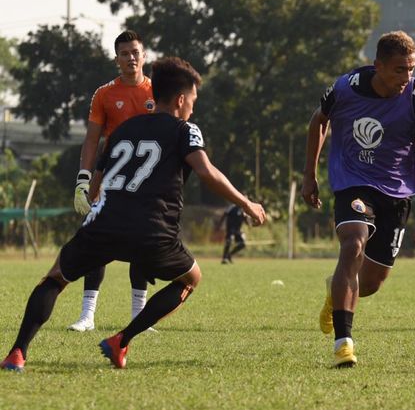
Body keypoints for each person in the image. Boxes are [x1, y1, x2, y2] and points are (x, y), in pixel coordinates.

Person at [0, 57, 266, 372]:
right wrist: (247, 203)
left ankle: (17, 352)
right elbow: (206, 172)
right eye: (193, 101)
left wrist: (91, 209)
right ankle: (121, 340)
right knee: (191, 278)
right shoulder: (186, 129)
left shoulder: (125, 128)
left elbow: (99, 177)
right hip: (153, 231)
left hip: (105, 223)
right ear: (181, 100)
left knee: (56, 278)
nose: (193, 108)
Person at [302, 30, 415, 367]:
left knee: (373, 283)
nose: (406, 78)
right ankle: (343, 344)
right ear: (377, 65)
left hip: (396, 191)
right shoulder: (346, 88)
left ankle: (334, 292)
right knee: (353, 245)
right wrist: (310, 174)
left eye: (411, 69)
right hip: (353, 182)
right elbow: (318, 122)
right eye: (398, 70)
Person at [69, 30, 155, 332]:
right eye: (124, 53)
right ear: (116, 59)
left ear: (144, 55)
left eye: (135, 52)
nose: (131, 58)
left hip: (147, 184)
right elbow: (92, 140)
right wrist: (84, 180)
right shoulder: (104, 94)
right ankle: (87, 315)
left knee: (144, 244)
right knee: (97, 241)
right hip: (110, 181)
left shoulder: (158, 93)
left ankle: (138, 316)